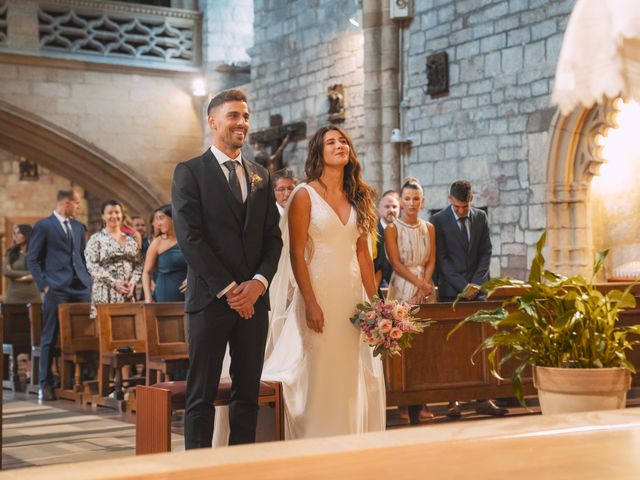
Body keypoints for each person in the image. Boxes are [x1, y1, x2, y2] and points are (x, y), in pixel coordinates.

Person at [171, 88, 282, 448]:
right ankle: (199, 469)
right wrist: (231, 289)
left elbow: (272, 239)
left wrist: (259, 284)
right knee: (201, 395)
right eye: (234, 115)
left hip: (254, 301)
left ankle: (242, 465)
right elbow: (190, 238)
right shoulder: (190, 172)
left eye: (246, 116)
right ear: (213, 121)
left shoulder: (260, 175)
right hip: (211, 300)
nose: (242, 123)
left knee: (246, 394)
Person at [264, 125, 386, 439]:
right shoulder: (304, 195)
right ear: (319, 152)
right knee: (319, 366)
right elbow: (295, 252)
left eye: (343, 140)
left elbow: (363, 255)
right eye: (331, 142)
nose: (339, 145)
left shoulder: (359, 195)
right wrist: (310, 301)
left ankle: (348, 436)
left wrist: (378, 307)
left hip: (351, 295)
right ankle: (317, 436)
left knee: (348, 367)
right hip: (318, 291)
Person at [430, 179, 506, 418]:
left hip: (478, 291)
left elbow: (486, 252)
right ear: (450, 200)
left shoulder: (481, 218)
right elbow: (442, 260)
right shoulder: (438, 221)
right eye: (457, 206)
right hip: (452, 293)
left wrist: (476, 283)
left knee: (481, 345)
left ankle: (484, 398)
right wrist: (463, 286)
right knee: (454, 347)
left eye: (465, 206)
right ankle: (454, 399)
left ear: (471, 199)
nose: (461, 210)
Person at [27, 189, 92, 401]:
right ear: (65, 203)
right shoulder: (44, 226)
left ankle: (83, 380)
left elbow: (81, 256)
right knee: (49, 336)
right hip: (56, 288)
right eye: (76, 203)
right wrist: (45, 286)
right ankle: (44, 385)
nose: (78, 207)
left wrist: (89, 281)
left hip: (80, 287)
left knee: (87, 333)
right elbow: (33, 259)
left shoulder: (77, 226)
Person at [384, 178, 436, 424]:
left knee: (425, 346)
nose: (412, 203)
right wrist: (418, 285)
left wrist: (425, 285)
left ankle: (423, 400)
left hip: (425, 288)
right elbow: (395, 263)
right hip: (403, 285)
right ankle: (403, 403)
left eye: (416, 199)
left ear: (422, 201)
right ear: (401, 201)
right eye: (407, 199)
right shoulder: (393, 228)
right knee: (403, 344)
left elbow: (431, 260)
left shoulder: (429, 227)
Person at [84, 199, 143, 318]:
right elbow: (92, 266)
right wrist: (114, 283)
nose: (114, 216)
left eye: (117, 212)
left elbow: (139, 265)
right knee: (107, 331)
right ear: (103, 216)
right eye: (110, 213)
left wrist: (132, 283)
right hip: (105, 292)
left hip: (126, 293)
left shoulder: (131, 240)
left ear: (122, 215)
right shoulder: (96, 239)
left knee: (127, 330)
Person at [142, 204, 187, 302]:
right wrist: (148, 297)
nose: (158, 224)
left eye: (161, 218)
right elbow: (146, 272)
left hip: (191, 294)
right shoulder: (157, 242)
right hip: (165, 294)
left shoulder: (188, 239)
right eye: (156, 220)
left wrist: (192, 279)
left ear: (173, 218)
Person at [2, 224, 41, 304]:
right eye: (14, 233)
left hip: (33, 297)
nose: (15, 236)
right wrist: (29, 275)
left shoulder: (37, 253)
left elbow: (41, 271)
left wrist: (15, 274)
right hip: (13, 297)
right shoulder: (10, 253)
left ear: (27, 235)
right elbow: (5, 271)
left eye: (18, 233)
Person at [373, 190, 400, 294]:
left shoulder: (404, 231)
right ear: (379, 210)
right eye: (387, 206)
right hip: (379, 290)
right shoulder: (373, 232)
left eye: (394, 206)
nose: (391, 210)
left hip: (402, 288)